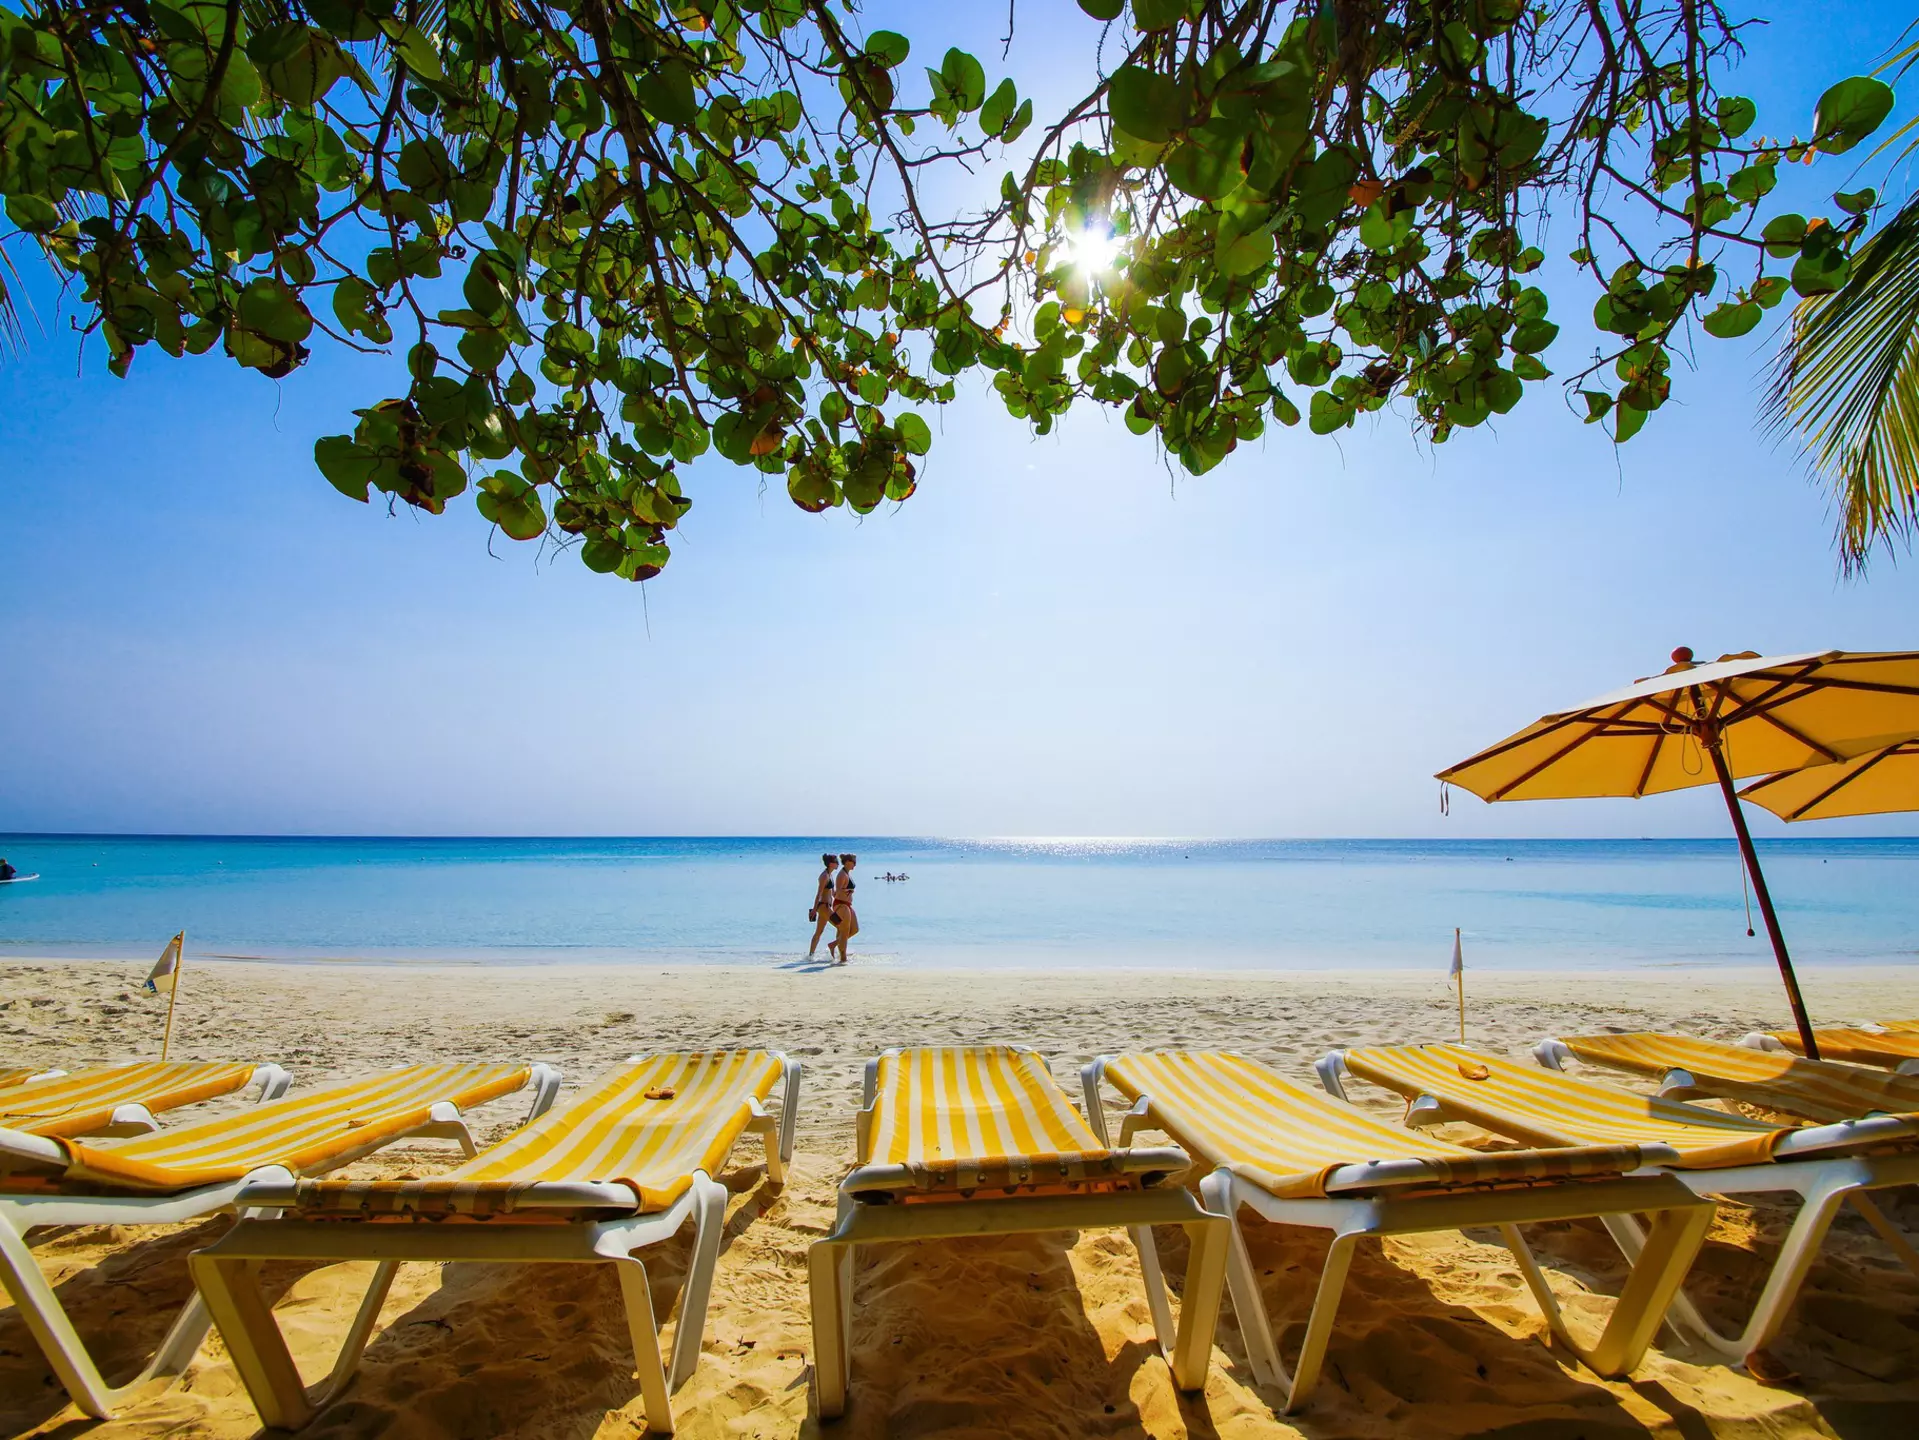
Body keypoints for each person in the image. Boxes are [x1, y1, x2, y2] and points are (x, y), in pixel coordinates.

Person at [828, 853, 859, 963]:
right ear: (847, 862)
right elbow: (838, 892)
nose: (855, 865)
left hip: (847, 904)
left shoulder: (847, 873)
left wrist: (849, 891)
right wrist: (848, 891)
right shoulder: (841, 874)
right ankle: (843, 958)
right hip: (841, 904)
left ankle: (833, 944)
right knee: (844, 931)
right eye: (853, 862)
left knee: (855, 929)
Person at [806, 853, 838, 957]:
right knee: (841, 926)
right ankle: (836, 949)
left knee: (819, 932)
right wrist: (815, 909)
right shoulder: (824, 876)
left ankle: (810, 956)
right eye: (836, 862)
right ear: (830, 864)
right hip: (823, 906)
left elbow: (833, 893)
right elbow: (819, 894)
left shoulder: (830, 875)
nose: (838, 863)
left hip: (827, 906)